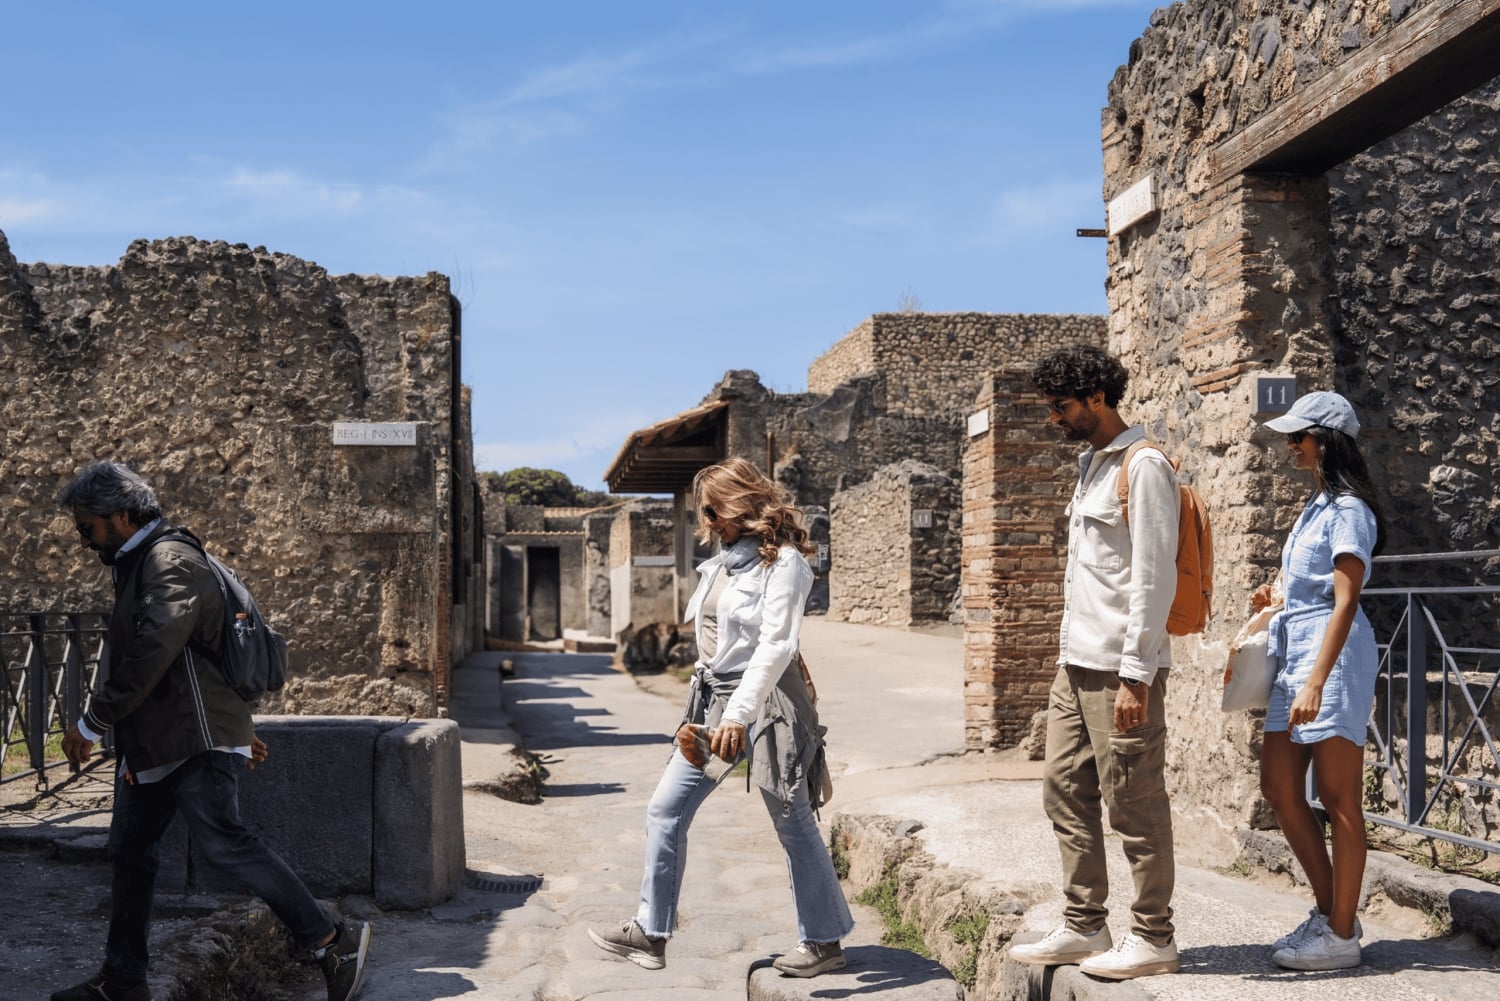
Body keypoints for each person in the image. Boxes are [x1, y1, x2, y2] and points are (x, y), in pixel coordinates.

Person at [53, 461, 370, 1001]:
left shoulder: (168, 560)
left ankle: (330, 941)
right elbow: (190, 660)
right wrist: (236, 726)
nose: (83, 540)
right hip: (161, 740)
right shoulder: (143, 561)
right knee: (130, 851)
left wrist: (93, 720)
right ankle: (124, 979)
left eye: (87, 527)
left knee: (225, 842)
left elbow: (157, 649)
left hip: (191, 737)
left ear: (122, 515)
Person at [589, 457, 852, 977]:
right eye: (702, 512)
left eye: (714, 509)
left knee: (792, 820)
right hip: (714, 704)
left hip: (770, 701)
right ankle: (651, 931)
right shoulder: (723, 563)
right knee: (666, 809)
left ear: (744, 503)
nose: (707, 521)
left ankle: (823, 942)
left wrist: (739, 713)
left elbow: (776, 645)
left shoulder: (787, 564)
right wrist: (711, 707)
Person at [1009, 345, 1181, 980]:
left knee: (1133, 802)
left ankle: (1154, 936)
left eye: (1060, 407)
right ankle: (1085, 924)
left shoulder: (1144, 467)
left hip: (1121, 667)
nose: (1054, 420)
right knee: (1063, 791)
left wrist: (1137, 674)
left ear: (1097, 399)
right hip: (1075, 662)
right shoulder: (1089, 466)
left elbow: (1153, 580)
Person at [1254, 391, 1384, 971]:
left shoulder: (1350, 510)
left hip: (1331, 658)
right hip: (1294, 652)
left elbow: (1346, 601)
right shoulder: (1315, 507)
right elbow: (1311, 592)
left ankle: (1340, 935)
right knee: (1279, 787)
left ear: (1325, 441)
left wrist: (1316, 680)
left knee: (1337, 799)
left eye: (1297, 437)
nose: (1289, 446)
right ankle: (1334, 913)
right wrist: (1275, 596)